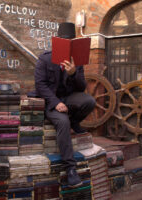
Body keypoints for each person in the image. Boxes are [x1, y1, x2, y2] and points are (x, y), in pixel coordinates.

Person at [34, 22, 96, 187]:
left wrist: (74, 73)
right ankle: (70, 169)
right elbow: (40, 85)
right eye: (64, 40)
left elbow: (81, 88)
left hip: (68, 98)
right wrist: (56, 103)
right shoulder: (45, 58)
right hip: (51, 101)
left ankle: (75, 121)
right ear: (58, 41)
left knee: (89, 101)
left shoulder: (77, 61)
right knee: (62, 121)